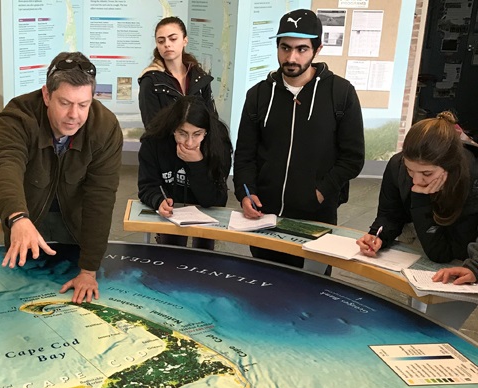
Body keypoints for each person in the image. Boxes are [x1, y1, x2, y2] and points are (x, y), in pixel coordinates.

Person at [233, 9, 365, 268]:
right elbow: (245, 153)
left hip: (317, 217)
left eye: (301, 49)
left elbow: (353, 158)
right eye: (285, 47)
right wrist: (245, 192)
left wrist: (320, 192)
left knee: (313, 293)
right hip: (264, 217)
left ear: (317, 49)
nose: (291, 57)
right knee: (264, 286)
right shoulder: (258, 95)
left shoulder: (341, 94)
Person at [0, 51, 123, 304]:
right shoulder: (18, 116)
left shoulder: (105, 127)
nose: (74, 115)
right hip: (27, 219)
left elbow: (101, 197)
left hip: (75, 226)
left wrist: (88, 270)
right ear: (46, 95)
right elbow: (6, 165)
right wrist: (17, 217)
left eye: (83, 105)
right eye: (65, 103)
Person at [357, 112, 478, 285]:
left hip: (464, 241)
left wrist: (475, 267)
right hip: (424, 234)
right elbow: (390, 214)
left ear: (450, 166)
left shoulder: (473, 175)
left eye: (426, 173)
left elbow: (442, 254)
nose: (416, 181)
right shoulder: (397, 165)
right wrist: (378, 236)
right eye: (410, 170)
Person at [138, 96, 232, 250]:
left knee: (205, 252)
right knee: (170, 250)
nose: (189, 143)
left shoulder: (218, 143)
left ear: (206, 132)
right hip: (172, 208)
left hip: (207, 210)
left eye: (197, 134)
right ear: (173, 129)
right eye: (182, 133)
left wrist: (197, 164)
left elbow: (215, 200)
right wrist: (158, 200)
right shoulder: (154, 140)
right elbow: (147, 185)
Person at [138, 16, 215, 128]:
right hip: (165, 144)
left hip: (200, 143)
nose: (167, 44)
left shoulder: (199, 76)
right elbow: (152, 128)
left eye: (173, 39)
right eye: (161, 41)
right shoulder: (150, 81)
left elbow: (212, 120)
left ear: (185, 41)